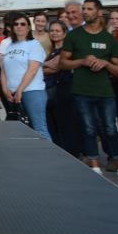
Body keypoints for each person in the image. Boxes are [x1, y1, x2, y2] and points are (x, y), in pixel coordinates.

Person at [60, 0, 118, 171]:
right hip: (81, 90)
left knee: (111, 129)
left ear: (99, 12)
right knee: (88, 129)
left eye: (89, 9)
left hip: (105, 91)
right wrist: (82, 61)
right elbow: (63, 63)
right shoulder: (74, 35)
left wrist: (106, 64)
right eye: (84, 9)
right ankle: (95, 168)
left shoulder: (109, 39)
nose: (85, 12)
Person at [0, 13, 50, 139]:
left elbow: (32, 70)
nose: (19, 26)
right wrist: (5, 89)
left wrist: (20, 90)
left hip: (32, 91)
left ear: (28, 27)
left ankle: (49, 158)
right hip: (13, 93)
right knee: (21, 132)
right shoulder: (9, 46)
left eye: (23, 24)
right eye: (16, 24)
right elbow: (4, 70)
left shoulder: (34, 44)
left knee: (39, 128)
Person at [43, 22, 81, 155]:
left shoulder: (66, 50)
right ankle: (60, 152)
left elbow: (56, 66)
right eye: (52, 30)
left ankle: (72, 153)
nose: (54, 33)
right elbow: (50, 66)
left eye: (57, 31)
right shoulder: (51, 51)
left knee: (66, 123)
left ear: (65, 33)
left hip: (64, 89)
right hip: (51, 91)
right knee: (54, 124)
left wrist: (40, 67)